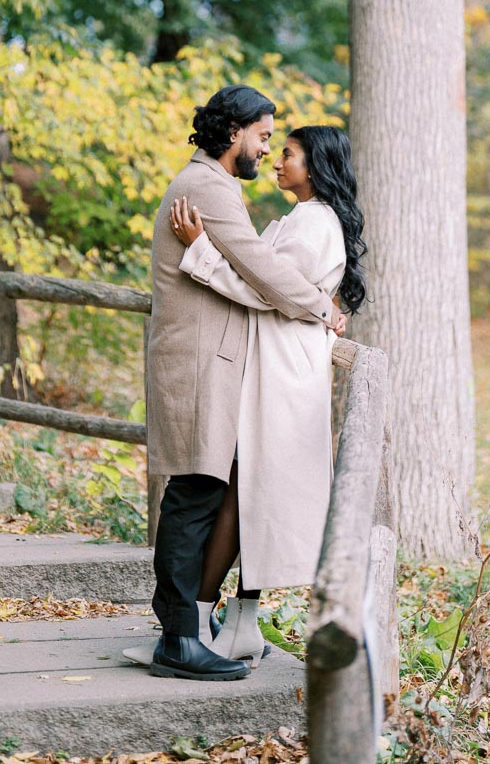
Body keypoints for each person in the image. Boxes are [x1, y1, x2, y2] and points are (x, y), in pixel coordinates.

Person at [138, 86, 344, 682]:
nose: (266, 150)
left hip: (213, 359)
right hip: (202, 361)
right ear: (233, 134)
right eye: (261, 137)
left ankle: (184, 628)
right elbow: (261, 268)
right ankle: (179, 639)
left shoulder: (218, 187)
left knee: (199, 491)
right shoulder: (206, 187)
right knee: (194, 494)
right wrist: (319, 307)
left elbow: (248, 270)